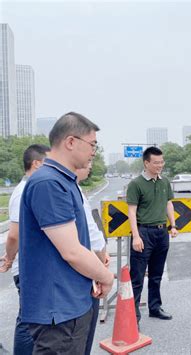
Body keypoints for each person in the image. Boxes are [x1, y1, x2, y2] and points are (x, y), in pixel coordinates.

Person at [19, 112, 115, 354]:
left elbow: (80, 241)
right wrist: (106, 276)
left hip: (70, 302)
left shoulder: (63, 180)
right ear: (71, 142)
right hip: (58, 310)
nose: (94, 151)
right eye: (92, 144)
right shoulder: (49, 183)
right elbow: (71, 251)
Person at [0, 144, 50, 355]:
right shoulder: (24, 191)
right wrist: (9, 258)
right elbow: (14, 234)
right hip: (28, 269)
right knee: (28, 320)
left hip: (36, 266)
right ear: (36, 164)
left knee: (34, 320)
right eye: (50, 163)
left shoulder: (34, 187)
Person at [127, 146, 178, 324]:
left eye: (162, 162)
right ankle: (133, 317)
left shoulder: (164, 182)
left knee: (156, 275)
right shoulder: (136, 184)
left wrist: (173, 225)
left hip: (161, 232)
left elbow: (168, 204)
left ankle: (155, 308)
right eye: (156, 163)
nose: (160, 165)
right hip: (144, 233)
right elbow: (131, 212)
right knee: (138, 277)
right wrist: (136, 236)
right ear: (146, 163)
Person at [75, 163, 110, 355]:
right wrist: (104, 274)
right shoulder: (68, 189)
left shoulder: (74, 188)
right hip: (82, 274)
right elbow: (93, 237)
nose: (90, 166)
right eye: (88, 162)